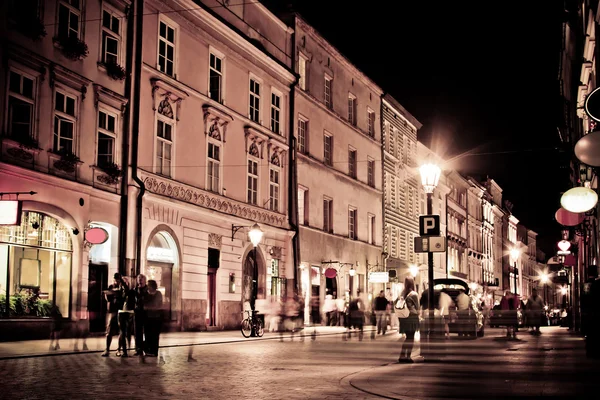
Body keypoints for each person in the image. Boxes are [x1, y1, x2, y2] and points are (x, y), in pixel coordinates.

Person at [102, 273, 128, 357]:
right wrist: (108, 294)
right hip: (112, 310)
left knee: (121, 331)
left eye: (118, 279)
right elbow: (108, 299)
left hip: (121, 311)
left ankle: (119, 349)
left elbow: (125, 295)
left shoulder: (123, 287)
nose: (116, 281)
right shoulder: (111, 286)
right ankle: (107, 349)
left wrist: (123, 285)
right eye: (115, 279)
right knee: (109, 330)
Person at [399, 277, 420, 362]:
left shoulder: (403, 293)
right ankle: (408, 357)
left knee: (407, 337)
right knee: (411, 338)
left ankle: (402, 355)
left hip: (404, 318)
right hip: (412, 318)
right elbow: (418, 308)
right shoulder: (414, 294)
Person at [144, 279, 163, 357]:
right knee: (147, 335)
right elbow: (144, 304)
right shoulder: (146, 294)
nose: (147, 286)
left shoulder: (158, 293)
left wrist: (149, 307)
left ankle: (154, 351)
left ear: (152, 286)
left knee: (155, 335)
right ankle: (148, 350)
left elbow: (157, 304)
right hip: (147, 318)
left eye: (148, 285)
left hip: (156, 318)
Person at [117, 277, 135, 357]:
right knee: (122, 332)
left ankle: (128, 347)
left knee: (128, 332)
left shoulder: (131, 291)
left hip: (129, 312)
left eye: (125, 282)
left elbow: (130, 294)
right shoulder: (119, 292)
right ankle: (124, 351)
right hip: (121, 312)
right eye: (122, 282)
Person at [133, 274, 149, 356]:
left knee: (146, 331)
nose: (140, 280)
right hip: (137, 312)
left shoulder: (148, 290)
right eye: (138, 278)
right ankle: (138, 348)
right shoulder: (135, 289)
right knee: (137, 331)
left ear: (145, 280)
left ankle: (146, 348)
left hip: (146, 312)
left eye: (141, 278)